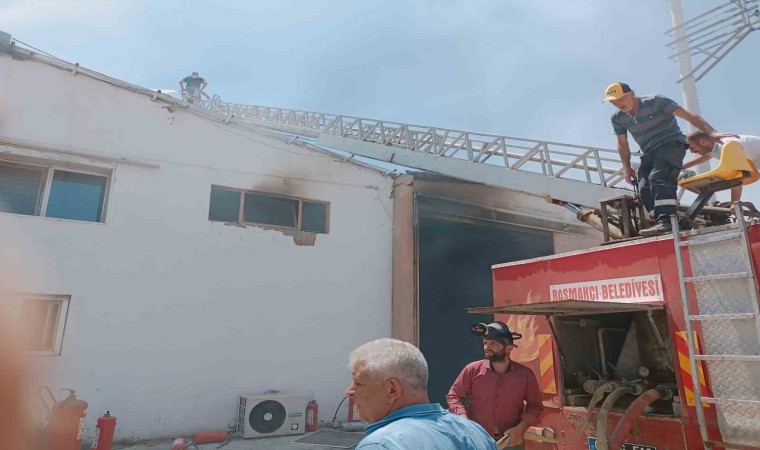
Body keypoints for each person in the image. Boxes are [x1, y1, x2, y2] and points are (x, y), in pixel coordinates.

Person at [603, 82, 734, 235]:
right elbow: (622, 143)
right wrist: (626, 167)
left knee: (658, 177)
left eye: (621, 99)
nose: (618, 104)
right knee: (643, 185)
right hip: (648, 151)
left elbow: (688, 115)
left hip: (671, 143)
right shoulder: (617, 118)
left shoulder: (655, 101)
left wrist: (711, 132)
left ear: (632, 94)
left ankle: (667, 220)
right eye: (613, 102)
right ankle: (659, 219)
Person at [346, 338, 496, 450]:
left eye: (358, 383)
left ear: (392, 390)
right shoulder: (475, 432)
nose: (349, 391)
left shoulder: (381, 444)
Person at [446, 322, 543, 450]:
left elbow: (535, 406)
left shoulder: (525, 375)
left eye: (493, 343)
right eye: (485, 343)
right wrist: (464, 420)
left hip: (511, 442)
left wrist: (520, 429)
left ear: (508, 348)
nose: (487, 347)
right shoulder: (472, 370)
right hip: (477, 439)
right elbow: (454, 396)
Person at [683, 131, 760, 204]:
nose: (691, 152)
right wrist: (681, 167)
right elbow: (704, 158)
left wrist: (734, 203)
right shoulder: (715, 147)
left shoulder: (727, 146)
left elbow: (737, 177)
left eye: (691, 147)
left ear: (703, 142)